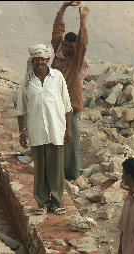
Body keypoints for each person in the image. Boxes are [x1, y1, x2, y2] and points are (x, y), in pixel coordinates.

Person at [16, 44, 73, 215]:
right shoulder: (26, 81)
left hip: (56, 129)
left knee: (56, 168)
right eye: (37, 59)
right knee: (40, 168)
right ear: (32, 60)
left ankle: (56, 202)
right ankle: (42, 202)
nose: (40, 62)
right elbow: (20, 109)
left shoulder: (57, 77)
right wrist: (21, 132)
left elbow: (67, 106)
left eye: (43, 59)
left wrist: (68, 130)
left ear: (48, 60)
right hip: (36, 130)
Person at [51, 1, 90, 181]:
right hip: (54, 103)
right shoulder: (58, 50)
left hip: (71, 106)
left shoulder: (75, 60)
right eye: (66, 46)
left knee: (71, 140)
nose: (67, 49)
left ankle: (73, 173)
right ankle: (56, 168)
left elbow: (82, 43)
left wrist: (82, 20)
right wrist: (64, 7)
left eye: (71, 48)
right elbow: (57, 29)